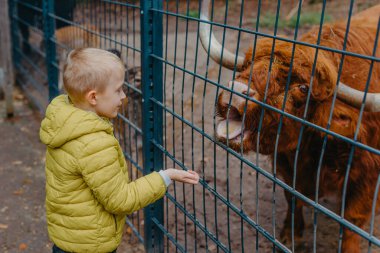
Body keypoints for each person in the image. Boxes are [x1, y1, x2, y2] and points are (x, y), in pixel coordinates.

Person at [39, 48, 199, 253]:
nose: (123, 96)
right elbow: (120, 200)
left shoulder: (65, 122)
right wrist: (164, 177)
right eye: (118, 90)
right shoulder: (93, 143)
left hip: (68, 237)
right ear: (93, 97)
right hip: (90, 245)